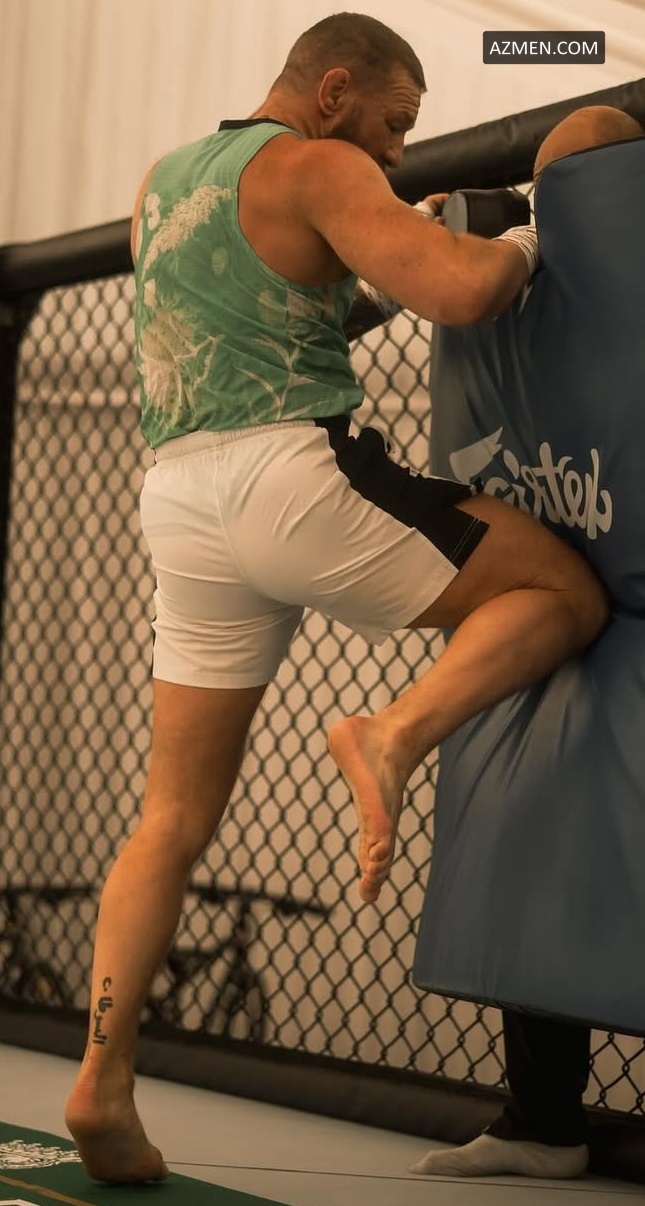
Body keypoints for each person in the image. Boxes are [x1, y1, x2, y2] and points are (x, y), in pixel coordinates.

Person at [64, 16, 609, 1184]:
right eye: (395, 125)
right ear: (335, 91)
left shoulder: (166, 183)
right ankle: (392, 733)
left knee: (168, 820)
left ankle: (101, 1082)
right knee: (564, 587)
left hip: (178, 501)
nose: (400, 153)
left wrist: (385, 252)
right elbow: (465, 292)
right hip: (291, 478)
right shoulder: (320, 165)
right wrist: (530, 234)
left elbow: (279, 303)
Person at [411, 103, 645, 1184]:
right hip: (556, 598)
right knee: (535, 825)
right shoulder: (534, 289)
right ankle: (541, 1118)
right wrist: (477, 221)